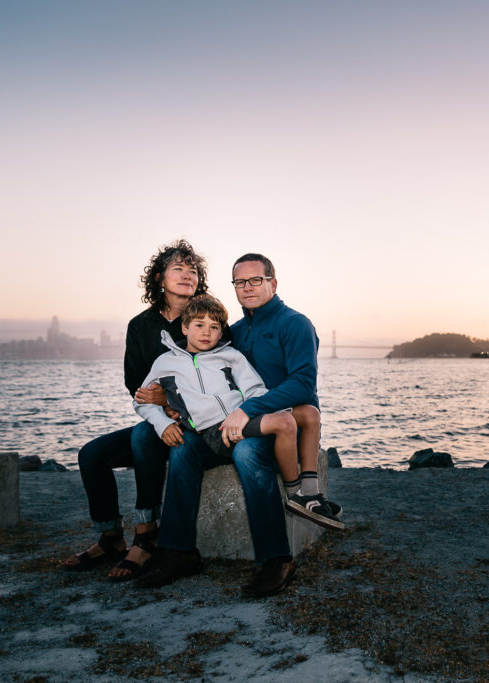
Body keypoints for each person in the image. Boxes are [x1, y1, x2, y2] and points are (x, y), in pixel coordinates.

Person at [139, 253, 331, 595]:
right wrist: (169, 404)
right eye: (239, 282)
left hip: (274, 427)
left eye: (255, 280)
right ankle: (178, 552)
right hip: (223, 426)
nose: (247, 287)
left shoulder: (295, 324)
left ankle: (276, 560)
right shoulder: (234, 333)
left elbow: (303, 385)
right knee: (182, 449)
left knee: (247, 455)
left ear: (273, 282)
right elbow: (203, 375)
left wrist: (249, 409)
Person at [62, 239, 208, 581]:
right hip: (158, 421)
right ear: (159, 278)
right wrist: (159, 409)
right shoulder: (140, 326)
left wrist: (173, 405)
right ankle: (111, 537)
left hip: (198, 424)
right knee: (92, 455)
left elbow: (216, 381)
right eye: (178, 269)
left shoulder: (206, 320)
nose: (187, 275)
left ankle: (146, 535)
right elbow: (137, 386)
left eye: (193, 270)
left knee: (144, 436)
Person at [134, 294, 343, 531]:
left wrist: (247, 409)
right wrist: (163, 423)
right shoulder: (166, 362)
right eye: (199, 325)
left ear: (222, 332)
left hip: (241, 417)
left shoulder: (230, 355)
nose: (206, 333)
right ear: (184, 327)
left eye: (214, 327)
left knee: (309, 413)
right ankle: (295, 494)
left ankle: (310, 491)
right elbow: (142, 401)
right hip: (216, 430)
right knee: (284, 422)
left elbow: (255, 388)